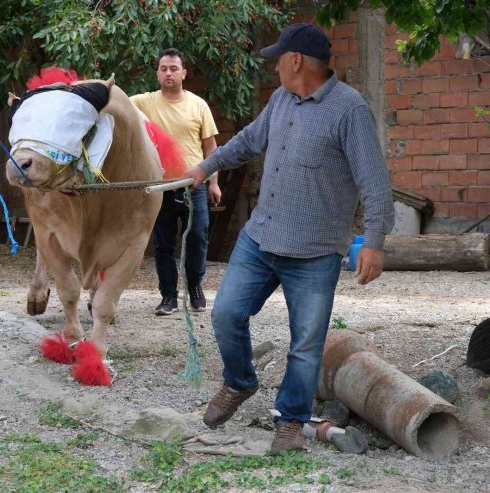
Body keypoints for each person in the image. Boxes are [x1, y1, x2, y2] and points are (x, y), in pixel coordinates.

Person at [182, 24, 395, 453]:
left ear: (295, 61)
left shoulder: (349, 110)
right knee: (225, 312)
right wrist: (206, 167)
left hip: (316, 252)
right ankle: (240, 381)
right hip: (261, 238)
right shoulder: (281, 99)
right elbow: (247, 141)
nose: (275, 64)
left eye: (279, 57)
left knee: (306, 343)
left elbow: (374, 181)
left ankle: (291, 422)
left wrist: (374, 241)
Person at [130, 48, 221, 316]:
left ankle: (194, 288)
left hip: (194, 185)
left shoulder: (198, 105)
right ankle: (168, 296)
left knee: (197, 238)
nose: (168, 72)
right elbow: (115, 102)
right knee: (163, 244)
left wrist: (213, 182)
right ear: (157, 73)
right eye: (163, 68)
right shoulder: (143, 103)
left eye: (173, 68)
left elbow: (211, 148)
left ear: (183, 73)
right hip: (160, 187)